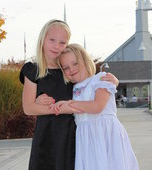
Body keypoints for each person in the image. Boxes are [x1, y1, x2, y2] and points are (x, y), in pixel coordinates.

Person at [19, 19, 119, 170]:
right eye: (52, 40)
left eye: (62, 42)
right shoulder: (33, 70)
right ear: (43, 38)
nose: (56, 46)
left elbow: (91, 85)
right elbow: (28, 108)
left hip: (73, 135)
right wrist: (56, 107)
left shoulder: (67, 69)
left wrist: (114, 82)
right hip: (47, 135)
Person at [51, 43, 139, 170]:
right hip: (85, 140)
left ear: (86, 61)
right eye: (66, 67)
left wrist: (68, 105)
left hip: (105, 135)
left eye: (75, 63)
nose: (71, 69)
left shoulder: (101, 79)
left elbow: (97, 106)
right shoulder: (73, 88)